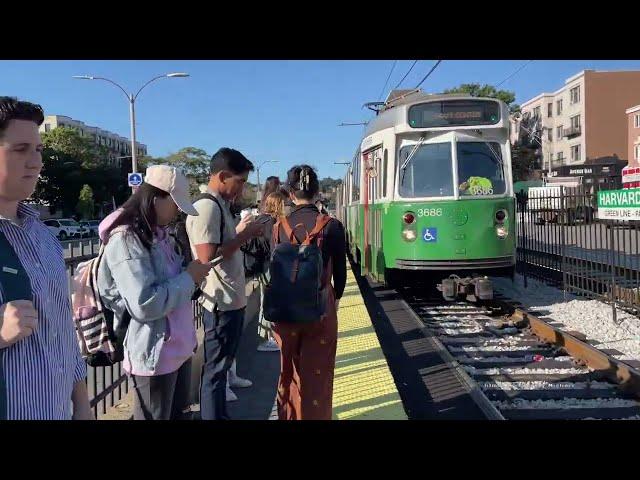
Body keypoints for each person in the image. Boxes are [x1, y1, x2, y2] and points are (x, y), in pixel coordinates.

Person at [0, 96, 92, 420]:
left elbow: (63, 329)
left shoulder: (45, 237)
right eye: (20, 149)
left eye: (38, 150)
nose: (36, 162)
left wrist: (82, 404)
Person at [97, 165, 212, 420]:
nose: (176, 214)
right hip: (154, 355)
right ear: (156, 198)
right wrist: (189, 277)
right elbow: (145, 303)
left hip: (177, 350)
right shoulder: (126, 240)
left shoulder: (160, 235)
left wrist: (191, 275)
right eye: (175, 205)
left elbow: (171, 283)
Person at [186, 147, 263, 420]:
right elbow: (208, 256)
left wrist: (240, 232)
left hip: (229, 301)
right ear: (223, 176)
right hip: (220, 303)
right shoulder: (207, 207)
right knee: (216, 372)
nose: (241, 190)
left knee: (220, 369)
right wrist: (246, 235)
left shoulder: (218, 206)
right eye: (239, 182)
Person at [272, 165, 346, 420]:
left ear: (290, 194)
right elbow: (341, 275)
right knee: (319, 377)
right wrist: (333, 302)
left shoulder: (278, 227)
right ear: (317, 193)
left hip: (285, 313)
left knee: (288, 375)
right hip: (320, 310)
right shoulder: (332, 226)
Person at [255, 191, 287, 352]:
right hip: (270, 266)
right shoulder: (272, 222)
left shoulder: (261, 220)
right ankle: (269, 338)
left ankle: (268, 336)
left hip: (262, 266)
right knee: (269, 302)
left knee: (266, 300)